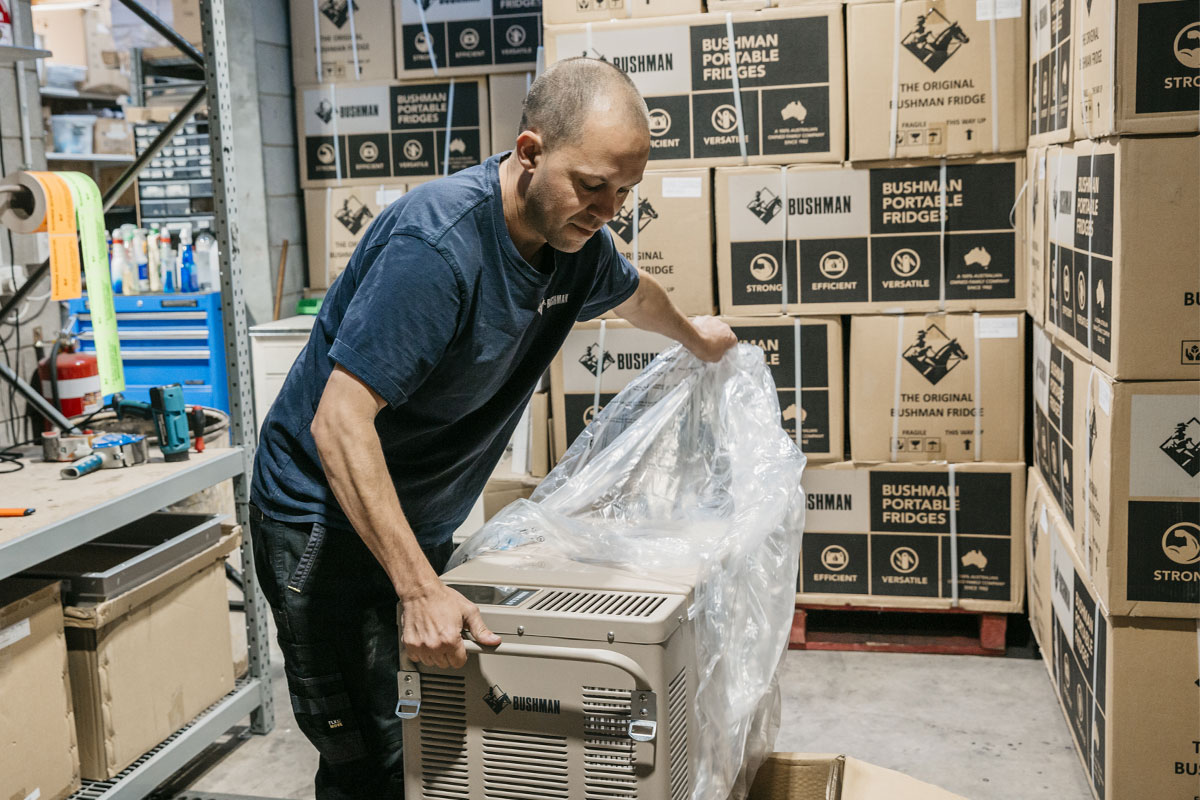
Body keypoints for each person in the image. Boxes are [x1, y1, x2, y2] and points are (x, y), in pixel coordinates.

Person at [249, 56, 737, 798]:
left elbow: (637, 293)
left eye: (625, 193)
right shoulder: (438, 249)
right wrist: (418, 590)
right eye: (592, 185)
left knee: (430, 734)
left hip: (410, 513)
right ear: (530, 152)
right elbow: (338, 423)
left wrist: (695, 338)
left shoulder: (575, 245)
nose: (608, 210)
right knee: (373, 757)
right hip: (326, 522)